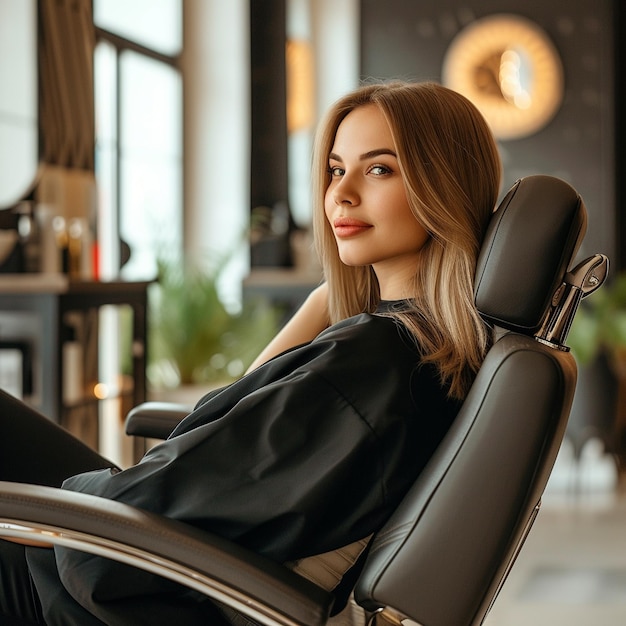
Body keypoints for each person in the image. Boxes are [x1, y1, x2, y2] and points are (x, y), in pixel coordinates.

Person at [0, 80, 502, 625]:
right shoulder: (414, 348)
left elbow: (154, 498)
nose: (341, 195)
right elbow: (219, 436)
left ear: (444, 187)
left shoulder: (377, 364)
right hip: (173, 546)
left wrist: (53, 510)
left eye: (379, 169)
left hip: (138, 588)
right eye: (335, 170)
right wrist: (321, 301)